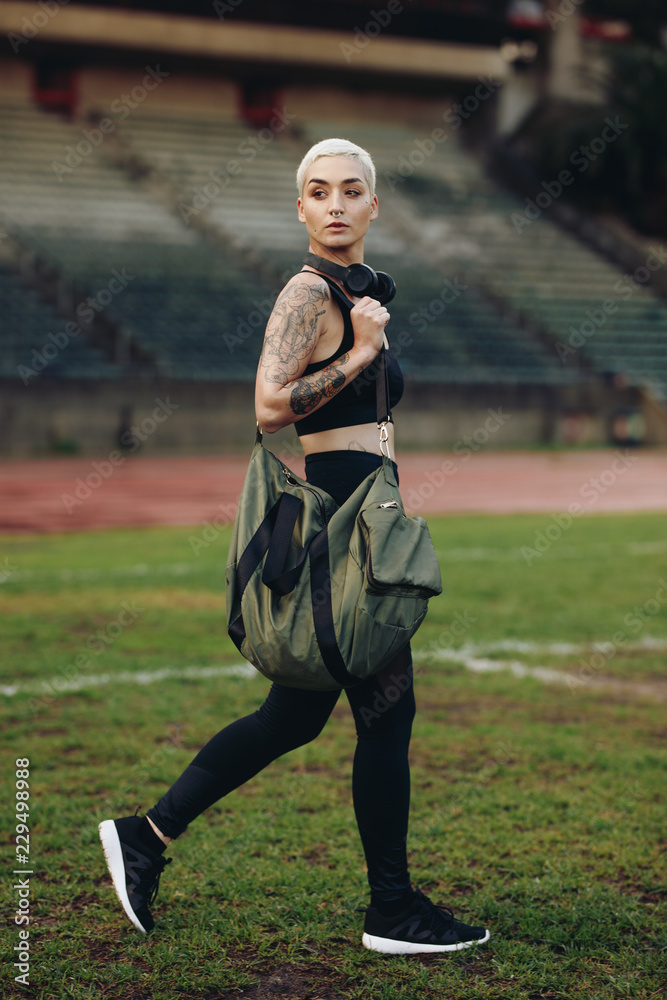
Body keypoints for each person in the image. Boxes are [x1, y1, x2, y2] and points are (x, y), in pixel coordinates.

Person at [99, 138, 490, 955]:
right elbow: (271, 407)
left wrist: (367, 341)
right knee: (383, 711)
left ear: (373, 205)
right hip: (341, 518)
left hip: (364, 508)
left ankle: (147, 834)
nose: (337, 203)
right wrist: (361, 351)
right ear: (302, 209)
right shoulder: (308, 293)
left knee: (297, 714)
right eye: (319, 191)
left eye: (353, 190)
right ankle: (390, 910)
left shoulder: (355, 291)